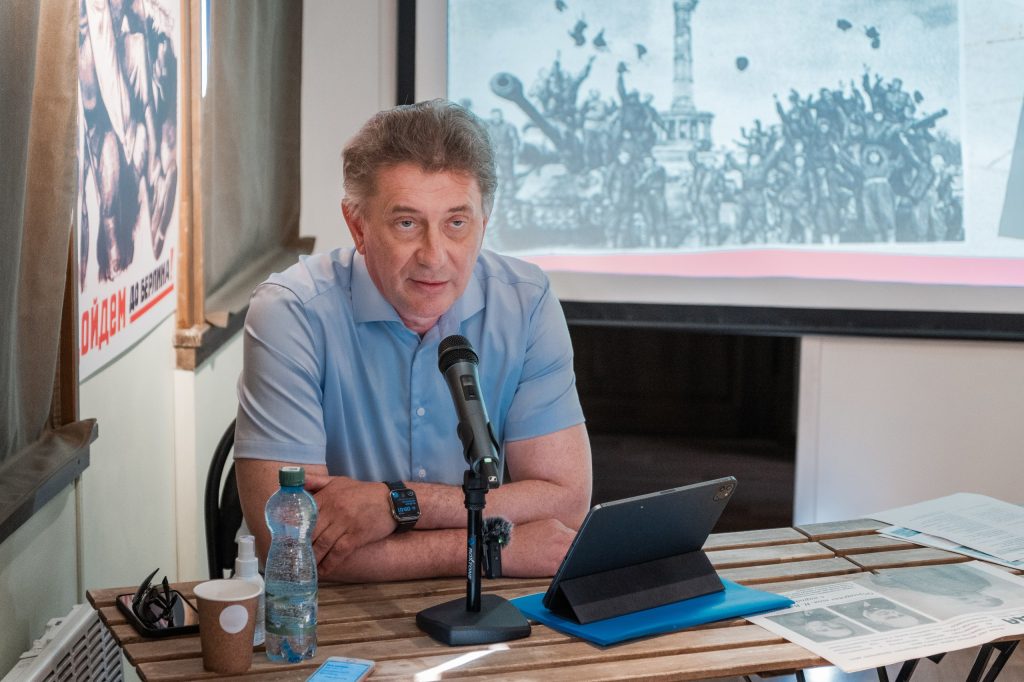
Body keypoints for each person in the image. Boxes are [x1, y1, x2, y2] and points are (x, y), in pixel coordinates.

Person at [234, 99, 593, 583]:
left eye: (456, 223)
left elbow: (566, 504)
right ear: (358, 226)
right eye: (407, 223)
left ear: (484, 223)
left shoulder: (525, 301)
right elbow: (291, 546)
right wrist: (491, 550)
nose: (434, 256)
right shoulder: (291, 311)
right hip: (323, 612)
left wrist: (397, 504)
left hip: (476, 604)